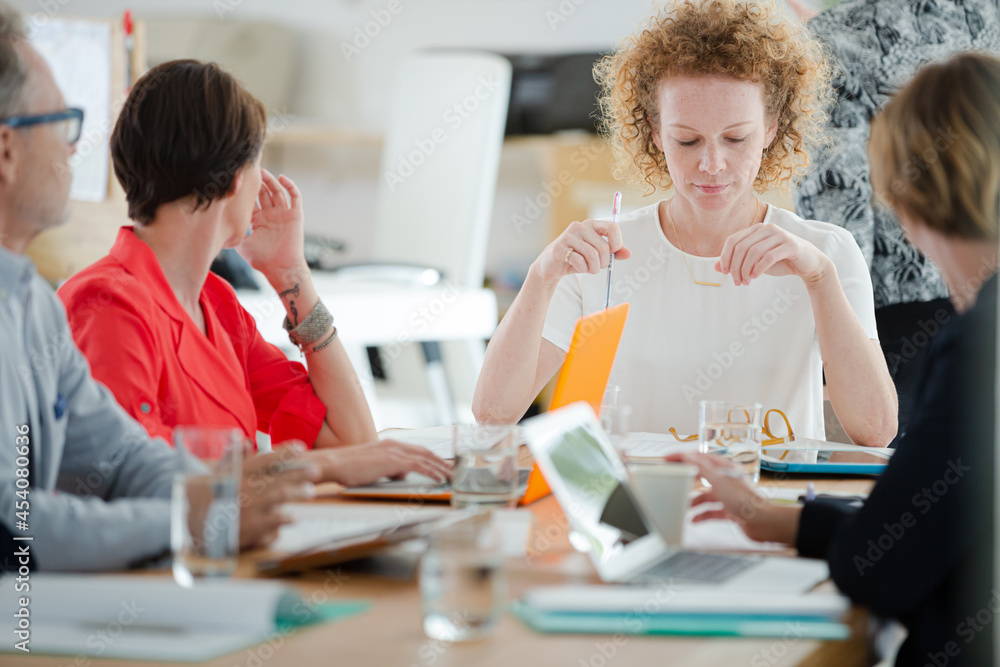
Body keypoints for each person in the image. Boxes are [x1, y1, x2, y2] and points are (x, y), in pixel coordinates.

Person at [673, 52, 998, 666]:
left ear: (913, 202)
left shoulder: (981, 344)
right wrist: (767, 517)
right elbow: (915, 526)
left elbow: (880, 566)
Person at [473, 0, 897, 446]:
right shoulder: (605, 256)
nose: (712, 164)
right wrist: (540, 278)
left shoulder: (824, 254)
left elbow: (875, 430)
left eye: (736, 138)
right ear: (655, 133)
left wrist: (820, 279)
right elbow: (493, 415)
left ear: (772, 128)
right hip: (639, 507)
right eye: (687, 140)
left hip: (768, 511)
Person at [0, 5, 319, 571]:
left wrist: (233, 492)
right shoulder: (103, 303)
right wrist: (198, 517)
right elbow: (11, 529)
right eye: (62, 123)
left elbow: (123, 460)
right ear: (6, 151)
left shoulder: (29, 303)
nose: (75, 148)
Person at [56, 60, 449, 487]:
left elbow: (352, 441)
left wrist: (290, 275)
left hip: (231, 548)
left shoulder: (218, 304)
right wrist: (316, 469)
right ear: (231, 182)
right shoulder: (106, 305)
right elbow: (138, 483)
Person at [791, 0, 1000, 443]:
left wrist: (841, 352)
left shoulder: (836, 36)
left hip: (893, 323)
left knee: (897, 489)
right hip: (984, 294)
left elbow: (836, 204)